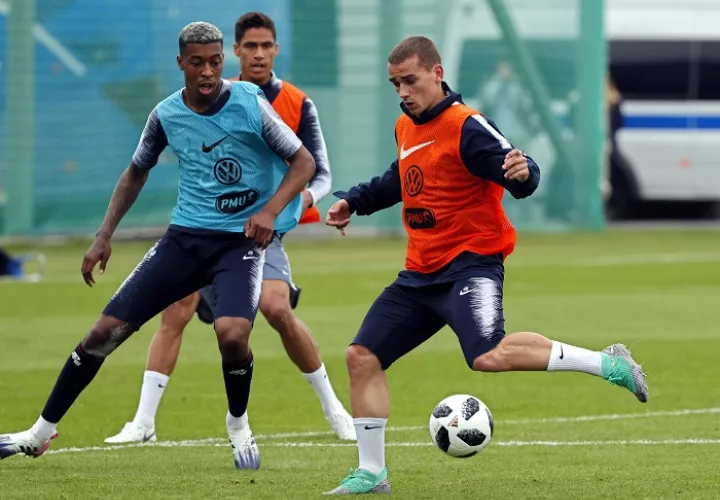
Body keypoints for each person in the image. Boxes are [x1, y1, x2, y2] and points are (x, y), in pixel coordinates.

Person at [322, 36, 648, 495]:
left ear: (437, 74)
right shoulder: (406, 126)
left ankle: (607, 363)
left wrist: (524, 174)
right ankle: (373, 474)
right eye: (395, 83)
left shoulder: (466, 125)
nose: (402, 91)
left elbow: (518, 167)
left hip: (470, 264)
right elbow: (401, 177)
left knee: (487, 355)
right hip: (420, 273)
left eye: (410, 81)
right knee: (362, 357)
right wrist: (353, 201)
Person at [0, 22, 317, 471]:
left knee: (232, 334)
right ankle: (39, 433)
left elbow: (302, 162)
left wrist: (269, 212)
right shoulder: (166, 115)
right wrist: (103, 235)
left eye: (214, 61)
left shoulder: (249, 102)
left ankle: (238, 422)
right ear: (180, 64)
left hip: (239, 243)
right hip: (185, 240)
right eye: (197, 62)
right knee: (102, 335)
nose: (207, 71)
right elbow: (135, 173)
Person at [104, 11, 354, 446]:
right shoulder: (211, 96)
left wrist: (286, 208)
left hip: (261, 231)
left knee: (277, 309)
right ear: (235, 52)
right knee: (175, 309)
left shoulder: (295, 102)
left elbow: (319, 172)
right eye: (250, 46)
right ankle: (142, 423)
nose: (259, 54)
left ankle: (335, 409)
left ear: (276, 50)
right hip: (204, 231)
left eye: (267, 46)